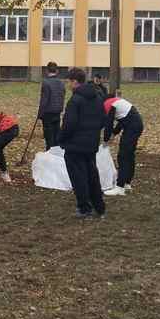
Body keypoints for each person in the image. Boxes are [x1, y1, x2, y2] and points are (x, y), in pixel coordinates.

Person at [58, 68, 106, 219]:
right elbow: (103, 119)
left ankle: (84, 207)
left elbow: (69, 124)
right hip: (91, 144)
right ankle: (99, 206)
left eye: (68, 82)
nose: (68, 85)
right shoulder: (98, 97)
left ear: (74, 81)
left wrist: (61, 138)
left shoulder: (75, 100)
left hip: (75, 146)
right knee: (92, 176)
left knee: (79, 177)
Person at [102, 94, 145, 196]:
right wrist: (114, 133)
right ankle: (127, 183)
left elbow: (109, 124)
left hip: (132, 128)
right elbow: (123, 119)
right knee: (129, 155)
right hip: (136, 125)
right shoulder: (117, 101)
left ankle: (119, 187)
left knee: (123, 156)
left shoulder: (108, 104)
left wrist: (106, 139)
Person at [37, 61, 65, 150]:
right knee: (56, 136)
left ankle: (50, 153)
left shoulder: (46, 82)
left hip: (48, 113)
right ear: (57, 71)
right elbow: (62, 96)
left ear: (47, 70)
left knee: (49, 138)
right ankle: (55, 153)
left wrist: (40, 114)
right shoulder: (61, 83)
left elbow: (44, 100)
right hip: (57, 112)